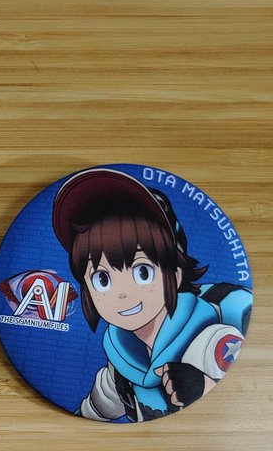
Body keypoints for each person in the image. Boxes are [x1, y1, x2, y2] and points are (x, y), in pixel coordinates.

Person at [52, 168, 251, 421]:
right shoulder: (119, 364)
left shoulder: (212, 340)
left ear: (175, 275)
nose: (122, 293)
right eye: (102, 279)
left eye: (142, 272)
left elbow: (239, 399)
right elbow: (91, 412)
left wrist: (202, 384)